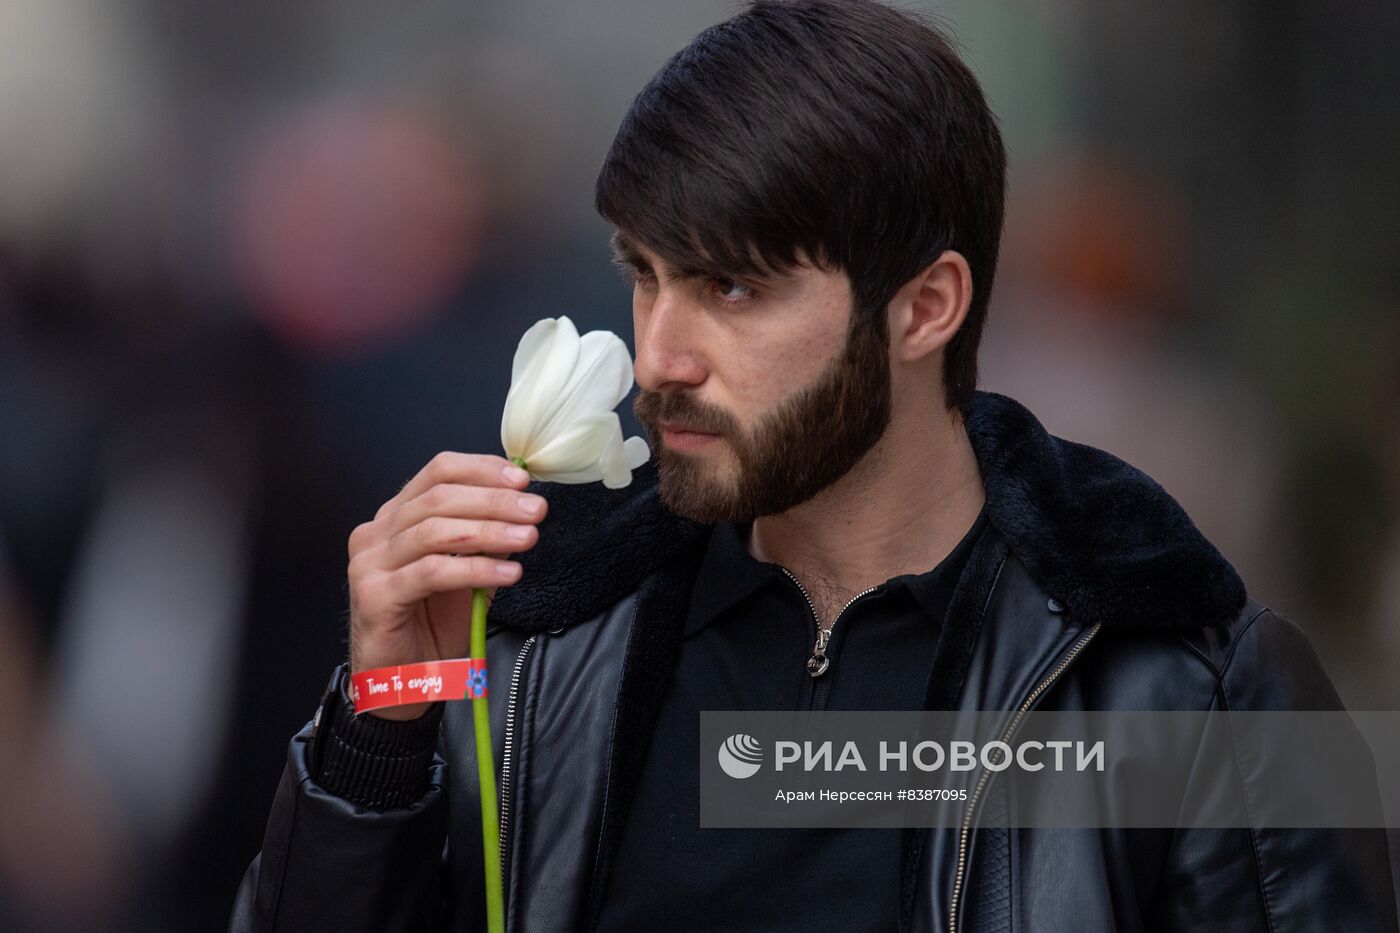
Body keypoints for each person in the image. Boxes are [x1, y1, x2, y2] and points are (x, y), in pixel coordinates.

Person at [230, 2, 1398, 930]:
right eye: (645, 272)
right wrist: (380, 726)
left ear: (925, 306)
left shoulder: (1180, 684)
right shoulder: (543, 646)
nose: (658, 353)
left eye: (731, 286)